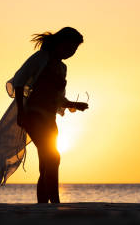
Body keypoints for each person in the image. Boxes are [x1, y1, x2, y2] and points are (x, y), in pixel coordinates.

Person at [10, 27, 88, 203]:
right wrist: (21, 112)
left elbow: (57, 99)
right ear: (59, 43)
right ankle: (55, 201)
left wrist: (74, 105)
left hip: (49, 119)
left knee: (47, 161)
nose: (71, 52)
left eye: (74, 50)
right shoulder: (40, 58)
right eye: (69, 48)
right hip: (33, 116)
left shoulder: (61, 67)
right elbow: (19, 82)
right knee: (52, 157)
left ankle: (44, 204)